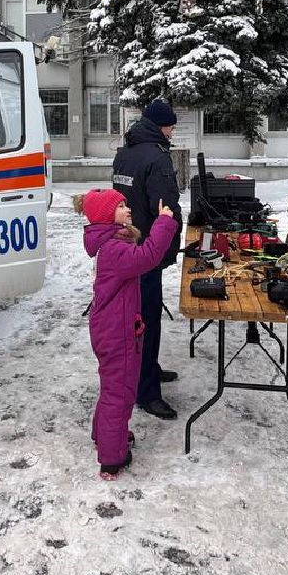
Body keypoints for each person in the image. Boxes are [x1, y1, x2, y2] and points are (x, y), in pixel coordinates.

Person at [80, 188, 179, 479]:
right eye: (120, 206)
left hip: (111, 327)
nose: (127, 208)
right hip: (117, 332)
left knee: (112, 386)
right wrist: (163, 222)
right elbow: (148, 256)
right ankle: (113, 457)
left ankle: (106, 434)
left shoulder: (111, 242)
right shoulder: (114, 249)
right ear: (105, 216)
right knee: (120, 393)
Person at [111, 99, 184, 420]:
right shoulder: (157, 157)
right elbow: (165, 207)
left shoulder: (124, 153)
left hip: (128, 245)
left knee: (139, 319)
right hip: (147, 252)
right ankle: (147, 392)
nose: (172, 131)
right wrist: (167, 251)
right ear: (160, 126)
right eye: (170, 126)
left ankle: (149, 371)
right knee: (147, 322)